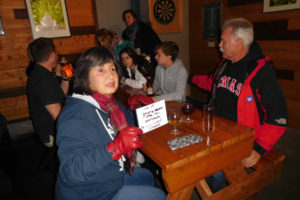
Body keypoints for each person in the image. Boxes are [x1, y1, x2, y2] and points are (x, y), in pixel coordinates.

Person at [55, 46, 165, 200]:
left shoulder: (110, 103)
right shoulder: (75, 115)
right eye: (101, 70)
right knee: (158, 196)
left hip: (111, 174)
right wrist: (115, 148)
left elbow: (131, 128)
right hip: (90, 193)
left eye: (112, 69)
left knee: (146, 176)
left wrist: (140, 109)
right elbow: (70, 172)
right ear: (85, 76)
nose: (111, 75)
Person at [189, 18, 288, 168]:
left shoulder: (261, 71)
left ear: (239, 42)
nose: (219, 45)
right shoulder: (225, 64)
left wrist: (259, 149)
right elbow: (212, 83)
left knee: (214, 172)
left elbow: (278, 115)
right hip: (217, 130)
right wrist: (190, 78)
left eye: (223, 41)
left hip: (241, 139)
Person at [26, 37, 70, 147]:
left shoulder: (43, 72)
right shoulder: (43, 80)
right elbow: (59, 118)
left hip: (50, 125)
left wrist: (65, 79)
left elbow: (60, 96)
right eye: (56, 52)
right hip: (50, 133)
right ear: (52, 54)